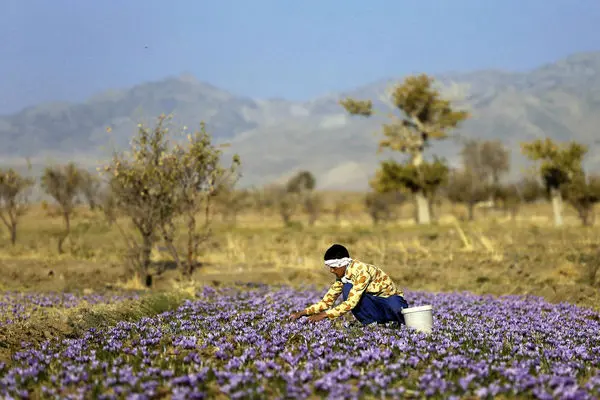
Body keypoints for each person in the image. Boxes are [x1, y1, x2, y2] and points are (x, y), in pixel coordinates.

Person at [289, 244, 409, 326]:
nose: (331, 271)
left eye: (333, 267)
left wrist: (324, 315)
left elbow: (351, 302)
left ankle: (401, 324)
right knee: (347, 287)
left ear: (342, 264)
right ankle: (374, 325)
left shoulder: (361, 272)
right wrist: (302, 313)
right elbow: (326, 302)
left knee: (396, 307)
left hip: (389, 300)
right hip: (375, 304)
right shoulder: (343, 277)